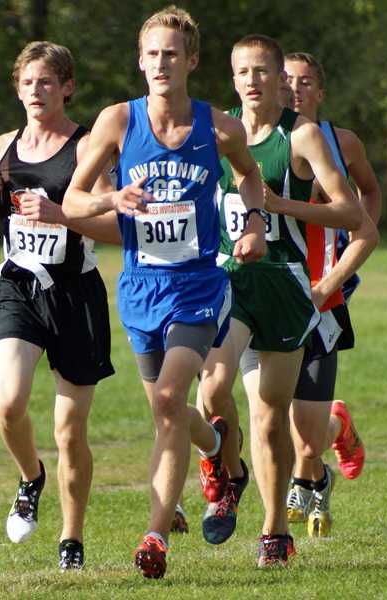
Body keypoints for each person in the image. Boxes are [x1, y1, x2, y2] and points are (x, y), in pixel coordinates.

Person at [63, 6, 267, 579]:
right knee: (167, 412)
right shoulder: (116, 123)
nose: (160, 63)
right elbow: (73, 202)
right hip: (139, 287)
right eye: (151, 54)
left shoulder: (220, 128)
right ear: (140, 60)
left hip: (199, 286)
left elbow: (249, 176)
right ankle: (215, 447)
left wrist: (252, 222)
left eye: (171, 54)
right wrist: (112, 200)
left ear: (192, 61)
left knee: (171, 398)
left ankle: (155, 535)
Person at [197, 35, 362, 567]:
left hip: (286, 287)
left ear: (279, 80)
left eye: (262, 71)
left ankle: (273, 531)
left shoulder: (302, 137)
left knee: (271, 419)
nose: (251, 80)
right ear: (232, 78)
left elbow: (350, 215)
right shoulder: (216, 130)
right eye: (242, 71)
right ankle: (230, 470)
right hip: (230, 282)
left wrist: (280, 205)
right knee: (213, 388)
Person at [0, 41, 120, 571]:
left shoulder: (87, 147)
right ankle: (30, 476)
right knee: (8, 404)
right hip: (18, 288)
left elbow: (119, 226)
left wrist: (62, 215)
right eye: (28, 82)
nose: (36, 91)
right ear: (17, 88)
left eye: (47, 82)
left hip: (75, 295)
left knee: (69, 431)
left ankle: (71, 539)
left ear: (67, 86)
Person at [278, 52, 380, 538]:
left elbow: (369, 195)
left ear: (320, 92)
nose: (295, 90)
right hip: (272, 290)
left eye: (305, 83)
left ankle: (313, 460)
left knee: (306, 424)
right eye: (287, 82)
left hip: (324, 288)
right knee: (283, 413)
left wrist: (353, 249)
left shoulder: (343, 142)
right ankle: (315, 459)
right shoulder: (262, 144)